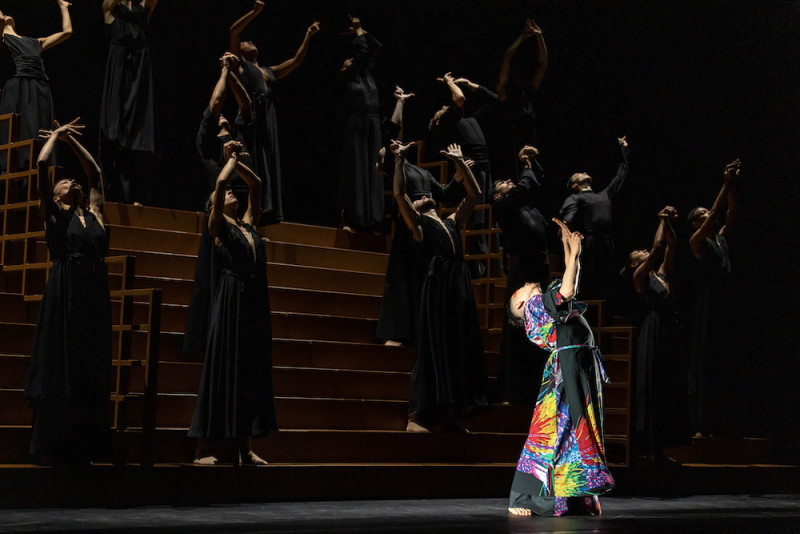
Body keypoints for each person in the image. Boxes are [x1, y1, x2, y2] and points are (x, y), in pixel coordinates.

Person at [507, 218, 614, 517]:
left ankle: (578, 494)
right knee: (557, 431)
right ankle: (523, 496)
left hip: (577, 364)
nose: (528, 283)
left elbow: (570, 286)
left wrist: (570, 250)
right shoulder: (532, 309)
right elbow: (567, 289)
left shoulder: (542, 304)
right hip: (567, 369)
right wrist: (574, 255)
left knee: (573, 430)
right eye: (523, 287)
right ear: (519, 301)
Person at [25, 118, 111, 465]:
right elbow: (43, 164)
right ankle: (55, 446)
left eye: (71, 179)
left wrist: (74, 142)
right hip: (66, 289)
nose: (70, 180)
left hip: (93, 291)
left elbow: (96, 174)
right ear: (57, 195)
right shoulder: (54, 213)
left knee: (89, 365)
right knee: (62, 363)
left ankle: (86, 446)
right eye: (65, 182)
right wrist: (58, 136)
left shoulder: (93, 213)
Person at [188, 141, 277, 466]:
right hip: (230, 301)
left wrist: (236, 160)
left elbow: (256, 184)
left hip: (253, 301)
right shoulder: (218, 227)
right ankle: (202, 448)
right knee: (221, 370)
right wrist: (229, 163)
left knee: (250, 372)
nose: (229, 194)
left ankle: (245, 447)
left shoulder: (249, 224)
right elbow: (221, 183)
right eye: (222, 197)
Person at [392, 140, 488, 433]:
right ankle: (418, 416)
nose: (423, 196)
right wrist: (398, 162)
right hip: (437, 291)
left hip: (458, 288)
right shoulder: (418, 226)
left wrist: (459, 162)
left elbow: (475, 194)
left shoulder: (451, 220)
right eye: (417, 197)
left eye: (425, 195)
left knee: (457, 348)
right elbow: (398, 193)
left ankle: (451, 414)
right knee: (434, 349)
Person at [375, 86, 461, 346]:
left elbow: (446, 194)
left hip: (428, 225)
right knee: (403, 276)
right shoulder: (397, 164)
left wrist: (460, 170)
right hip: (408, 220)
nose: (388, 150)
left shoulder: (422, 172)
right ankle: (398, 332)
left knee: (423, 276)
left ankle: (424, 330)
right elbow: (390, 130)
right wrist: (400, 102)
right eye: (386, 152)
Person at [184, 54, 254, 357]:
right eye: (221, 120)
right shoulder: (210, 147)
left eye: (228, 118)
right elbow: (215, 103)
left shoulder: (241, 143)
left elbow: (247, 105)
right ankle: (208, 339)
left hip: (240, 219)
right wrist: (225, 70)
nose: (224, 117)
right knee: (213, 275)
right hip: (218, 215)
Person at [229, 0, 320, 224]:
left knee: (266, 164)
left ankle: (262, 214)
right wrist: (253, 12)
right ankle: (247, 215)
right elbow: (233, 31)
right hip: (250, 119)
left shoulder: (269, 71)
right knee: (252, 163)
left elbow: (297, 61)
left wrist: (308, 35)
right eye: (246, 41)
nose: (250, 41)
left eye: (251, 40)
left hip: (267, 119)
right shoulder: (240, 65)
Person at [491, 145, 550, 405]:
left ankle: (534, 391)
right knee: (518, 328)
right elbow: (525, 187)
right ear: (497, 196)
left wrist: (532, 163)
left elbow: (535, 186)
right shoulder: (503, 207)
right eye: (503, 182)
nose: (508, 181)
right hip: (523, 269)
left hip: (539, 269)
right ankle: (510, 392)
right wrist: (525, 164)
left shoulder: (524, 205)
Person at [686, 159, 740, 437]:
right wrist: (726, 181)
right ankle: (702, 424)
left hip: (726, 299)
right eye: (703, 214)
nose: (710, 215)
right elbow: (718, 210)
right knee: (707, 359)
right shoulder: (697, 241)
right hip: (709, 300)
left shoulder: (720, 238)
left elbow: (730, 211)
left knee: (725, 358)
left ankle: (723, 421)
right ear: (697, 222)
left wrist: (732, 185)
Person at [625, 206, 682, 463]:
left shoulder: (662, 276)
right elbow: (658, 249)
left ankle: (660, 449)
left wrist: (668, 221)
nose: (643, 250)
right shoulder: (640, 276)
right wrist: (661, 218)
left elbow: (672, 246)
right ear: (636, 263)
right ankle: (646, 447)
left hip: (669, 332)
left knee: (665, 387)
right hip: (652, 331)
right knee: (651, 386)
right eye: (639, 252)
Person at [429, 72, 494, 277]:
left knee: (486, 220)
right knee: (478, 220)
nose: (443, 107)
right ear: (438, 122)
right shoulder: (448, 121)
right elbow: (459, 98)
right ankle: (478, 270)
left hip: (485, 169)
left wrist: (470, 83)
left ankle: (486, 267)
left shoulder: (467, 118)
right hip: (474, 170)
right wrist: (448, 81)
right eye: (439, 111)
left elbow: (494, 101)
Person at [99, 0, 158, 205]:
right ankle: (114, 188)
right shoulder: (111, 9)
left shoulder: (142, 9)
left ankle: (137, 193)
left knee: (138, 125)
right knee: (115, 127)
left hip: (141, 62)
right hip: (119, 62)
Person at [0, 1, 72, 164]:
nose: (5, 15)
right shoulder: (3, 39)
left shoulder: (34, 41)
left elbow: (67, 32)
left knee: (40, 130)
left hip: (40, 88)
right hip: (19, 88)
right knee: (20, 131)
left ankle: (41, 168)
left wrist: (63, 7)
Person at [559, 136, 630, 299]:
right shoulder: (576, 198)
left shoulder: (605, 195)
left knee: (609, 280)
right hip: (591, 243)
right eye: (578, 174)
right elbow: (568, 214)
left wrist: (624, 149)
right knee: (590, 278)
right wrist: (565, 225)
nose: (583, 172)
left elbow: (622, 173)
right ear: (574, 185)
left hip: (608, 242)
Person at [338, 14, 383, 233]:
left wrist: (362, 29)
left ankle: (373, 219)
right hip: (357, 124)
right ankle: (354, 218)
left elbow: (374, 48)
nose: (350, 60)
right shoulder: (349, 75)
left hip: (373, 123)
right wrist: (356, 30)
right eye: (348, 60)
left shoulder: (366, 73)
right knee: (357, 171)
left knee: (374, 171)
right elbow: (363, 52)